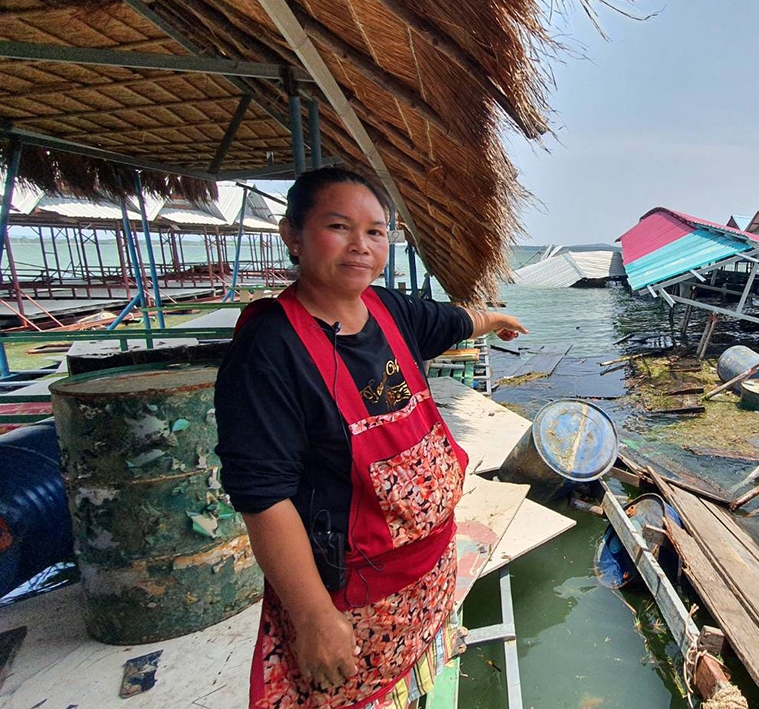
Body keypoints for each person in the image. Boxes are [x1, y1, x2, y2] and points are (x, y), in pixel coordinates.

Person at [214, 168, 528, 709]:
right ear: (293, 234)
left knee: (413, 689)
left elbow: (455, 321)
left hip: (427, 572)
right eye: (340, 226)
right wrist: (313, 615)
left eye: (376, 232)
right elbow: (262, 495)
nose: (361, 245)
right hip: (349, 596)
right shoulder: (269, 350)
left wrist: (495, 318)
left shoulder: (390, 309)